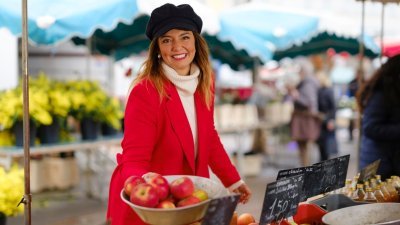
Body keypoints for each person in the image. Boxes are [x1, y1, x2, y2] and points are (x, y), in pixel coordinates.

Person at [106, 3, 252, 225]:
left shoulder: (206, 81)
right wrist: (145, 192)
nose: (177, 46)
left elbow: (208, 137)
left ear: (195, 42)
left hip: (190, 199)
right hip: (155, 205)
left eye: (184, 37)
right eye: (167, 40)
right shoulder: (145, 91)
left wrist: (232, 180)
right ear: (158, 48)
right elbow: (134, 158)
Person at [356, 54, 400, 180]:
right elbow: (370, 127)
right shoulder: (381, 95)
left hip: (388, 163)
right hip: (379, 166)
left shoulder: (392, 93)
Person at [288, 61, 321, 166]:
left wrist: (295, 95)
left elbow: (307, 102)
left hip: (305, 120)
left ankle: (306, 170)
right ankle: (305, 169)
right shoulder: (308, 83)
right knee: (304, 149)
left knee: (305, 149)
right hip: (305, 120)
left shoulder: (308, 84)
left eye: (300, 71)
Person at [316, 72, 338, 161]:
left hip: (327, 119)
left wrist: (331, 120)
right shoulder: (319, 90)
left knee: (327, 145)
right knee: (321, 143)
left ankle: (324, 162)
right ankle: (322, 161)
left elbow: (333, 107)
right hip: (321, 120)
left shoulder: (328, 91)